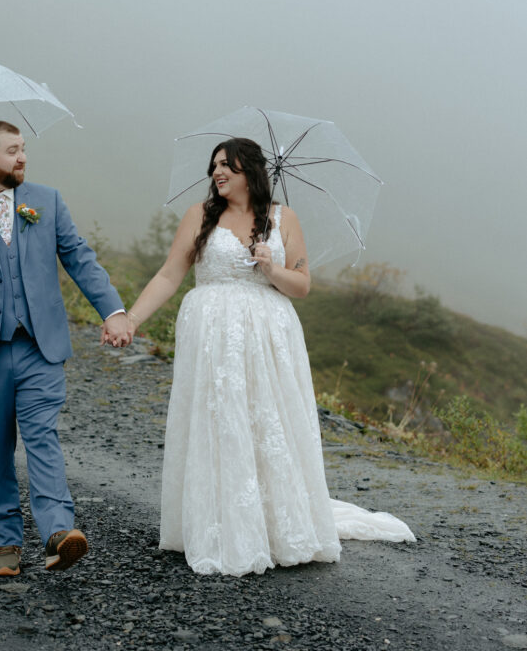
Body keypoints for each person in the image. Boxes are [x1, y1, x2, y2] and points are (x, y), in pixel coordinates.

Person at [104, 137, 414, 576]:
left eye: (227, 165)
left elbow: (302, 285)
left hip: (270, 334)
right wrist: (132, 319)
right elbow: (171, 274)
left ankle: (272, 523)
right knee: (220, 419)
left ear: (251, 171)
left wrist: (271, 268)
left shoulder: (283, 219)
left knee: (267, 420)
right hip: (212, 332)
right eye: (213, 166)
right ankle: (221, 523)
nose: (217, 172)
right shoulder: (199, 215)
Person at [0, 120, 130, 577]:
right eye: (13, 150)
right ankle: (7, 543)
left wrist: (112, 312)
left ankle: (58, 533)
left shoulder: (46, 200)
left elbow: (79, 256)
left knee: (42, 437)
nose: (22, 158)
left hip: (40, 345)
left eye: (23, 149)